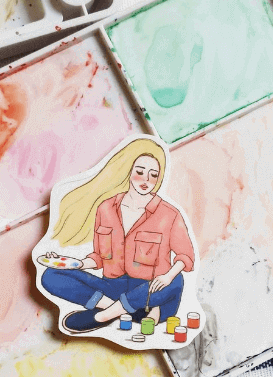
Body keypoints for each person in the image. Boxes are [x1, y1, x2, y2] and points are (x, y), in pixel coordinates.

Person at [41, 138, 195, 333]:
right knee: (50, 275)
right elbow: (99, 257)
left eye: (153, 175)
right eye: (140, 172)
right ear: (128, 171)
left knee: (176, 279)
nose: (146, 180)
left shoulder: (169, 214)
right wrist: (73, 263)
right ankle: (119, 310)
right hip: (113, 287)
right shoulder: (106, 208)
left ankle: (103, 316)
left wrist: (167, 276)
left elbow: (185, 256)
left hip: (150, 290)